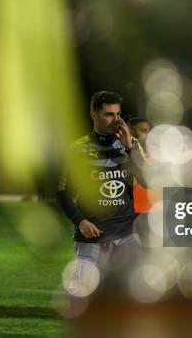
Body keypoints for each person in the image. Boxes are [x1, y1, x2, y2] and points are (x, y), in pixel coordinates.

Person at [56, 91, 146, 300]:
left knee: (134, 296)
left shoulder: (131, 145)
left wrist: (129, 148)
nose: (116, 120)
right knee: (82, 297)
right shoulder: (77, 149)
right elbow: (62, 193)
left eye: (118, 114)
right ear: (93, 114)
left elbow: (147, 182)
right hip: (92, 237)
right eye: (109, 114)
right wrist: (80, 221)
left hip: (126, 235)